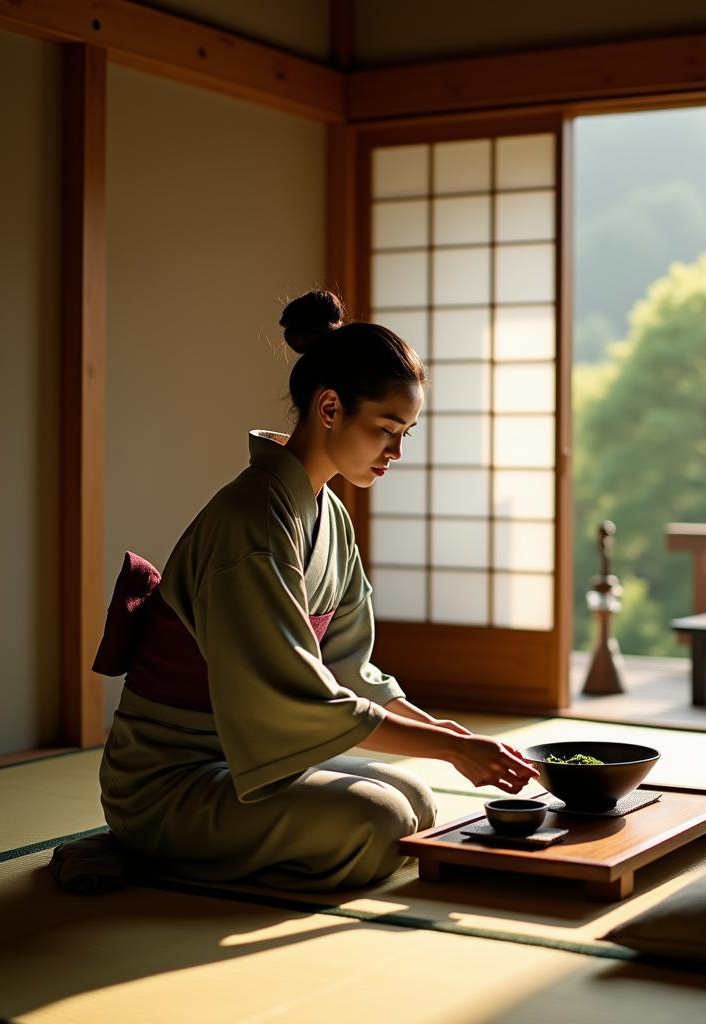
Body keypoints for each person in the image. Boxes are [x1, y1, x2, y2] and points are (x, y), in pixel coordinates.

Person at [93, 288, 540, 894]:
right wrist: (451, 749)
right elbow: (298, 699)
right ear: (329, 408)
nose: (396, 452)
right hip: (171, 781)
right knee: (378, 823)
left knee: (416, 800)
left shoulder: (327, 514)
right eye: (386, 429)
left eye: (406, 432)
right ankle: (142, 855)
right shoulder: (251, 522)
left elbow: (348, 673)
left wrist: (452, 738)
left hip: (246, 762)